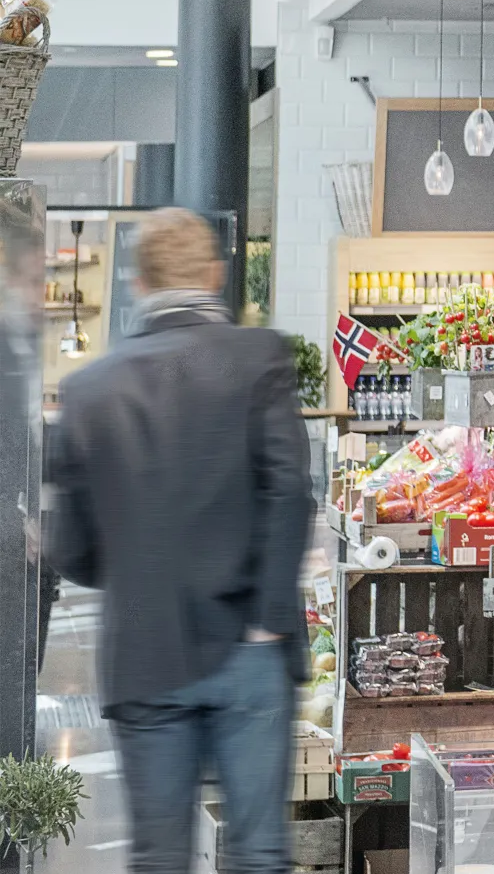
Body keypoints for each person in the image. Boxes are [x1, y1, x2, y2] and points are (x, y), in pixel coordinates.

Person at [47, 208, 311, 874]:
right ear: (216, 275)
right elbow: (290, 491)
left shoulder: (87, 390)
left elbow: (75, 550)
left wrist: (140, 567)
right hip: (249, 645)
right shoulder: (260, 357)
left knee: (159, 857)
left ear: (137, 284)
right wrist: (270, 619)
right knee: (255, 853)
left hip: (142, 650)